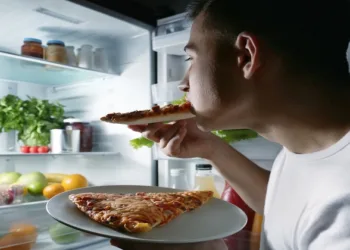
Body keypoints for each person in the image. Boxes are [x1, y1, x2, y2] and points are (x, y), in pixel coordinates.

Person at [113, 0, 350, 249]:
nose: (183, 84)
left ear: (247, 55)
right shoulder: (309, 143)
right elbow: (292, 207)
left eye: (191, 58)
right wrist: (210, 148)